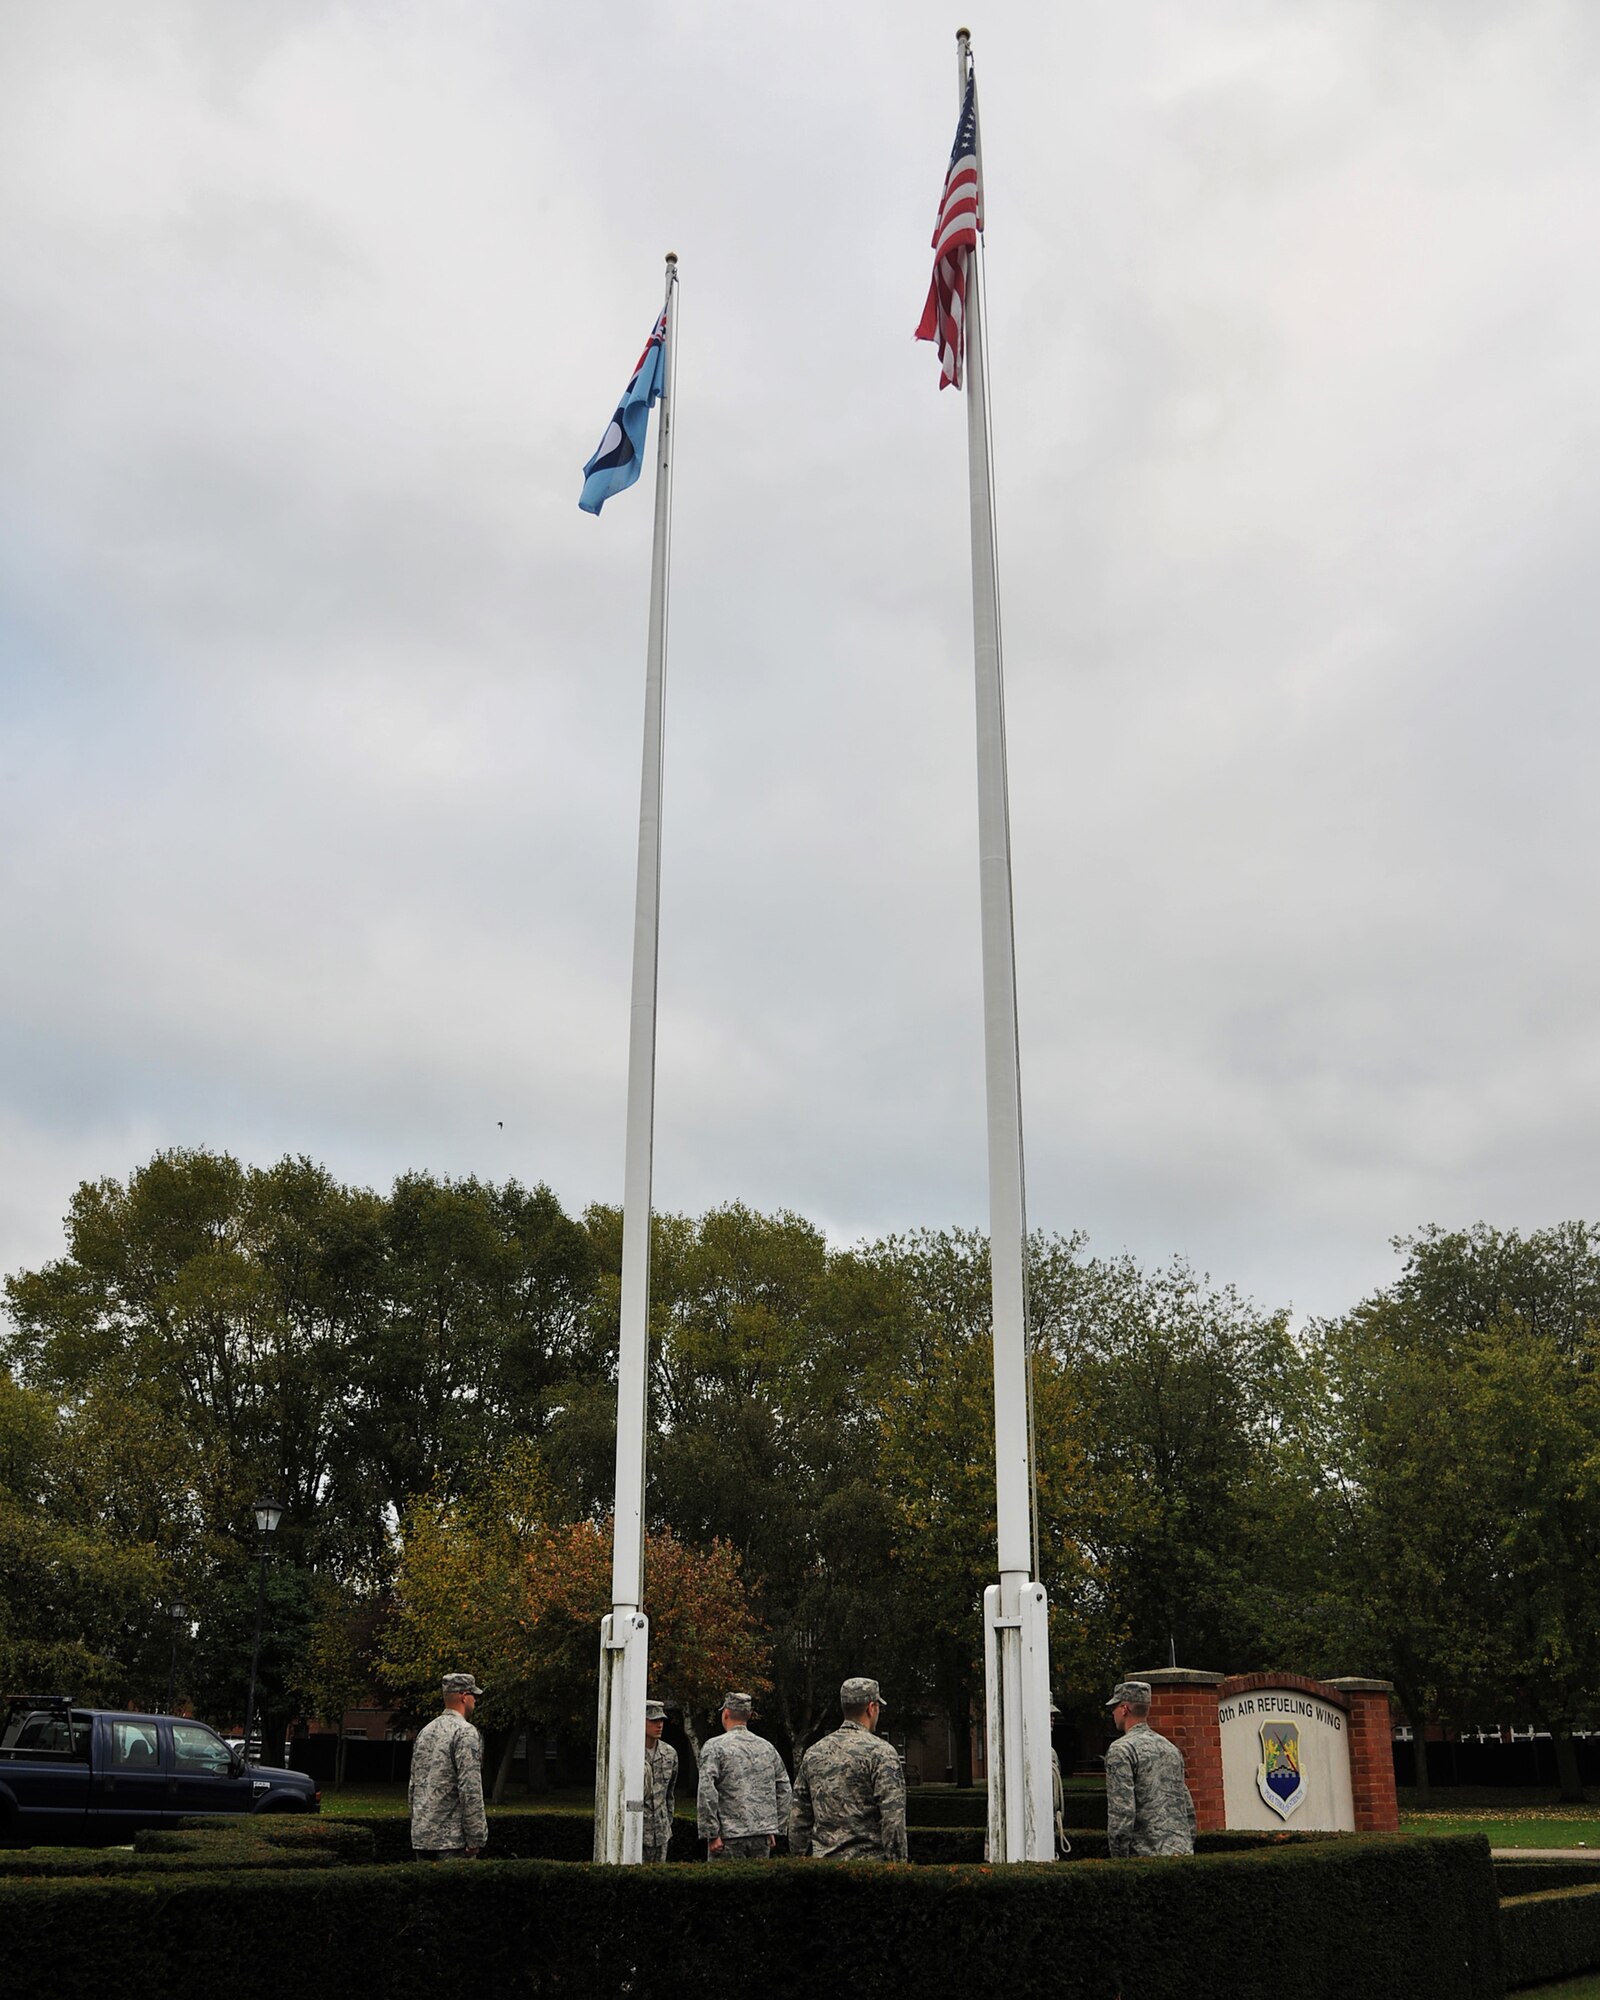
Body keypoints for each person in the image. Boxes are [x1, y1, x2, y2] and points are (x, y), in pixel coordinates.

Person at [789, 1677, 907, 1862]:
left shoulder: (814, 1753)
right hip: (869, 1869)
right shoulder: (882, 1753)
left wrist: (799, 1861)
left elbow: (799, 1818)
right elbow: (893, 1820)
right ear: (871, 1708)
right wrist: (899, 1867)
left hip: (823, 1867)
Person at [1103, 1679, 1196, 1857]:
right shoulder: (1170, 1748)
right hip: (1182, 1853)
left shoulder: (1121, 1750)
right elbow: (1187, 1806)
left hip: (1145, 1858)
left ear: (1124, 1709)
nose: (1112, 1713)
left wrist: (1119, 1858)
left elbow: (1122, 1813)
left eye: (1114, 1707)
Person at [696, 1691, 792, 1860]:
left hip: (727, 1837)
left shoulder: (715, 1747)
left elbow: (706, 1791)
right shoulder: (767, 1748)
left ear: (726, 1713)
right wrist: (774, 1826)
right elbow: (784, 1788)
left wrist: (711, 1833)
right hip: (761, 1836)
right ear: (748, 1715)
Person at [409, 1672, 489, 1862]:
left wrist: (417, 1828)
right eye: (473, 1696)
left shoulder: (425, 1732)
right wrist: (476, 1838)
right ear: (463, 1696)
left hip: (422, 1837)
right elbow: (470, 1788)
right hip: (453, 1842)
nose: (475, 1701)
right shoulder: (465, 1732)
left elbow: (414, 1785)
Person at [642, 1698, 678, 1862]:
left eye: (661, 1720)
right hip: (638, 1831)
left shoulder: (669, 1754)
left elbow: (670, 1793)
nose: (660, 1725)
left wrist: (668, 1821)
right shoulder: (631, 1752)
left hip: (661, 1831)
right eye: (654, 1720)